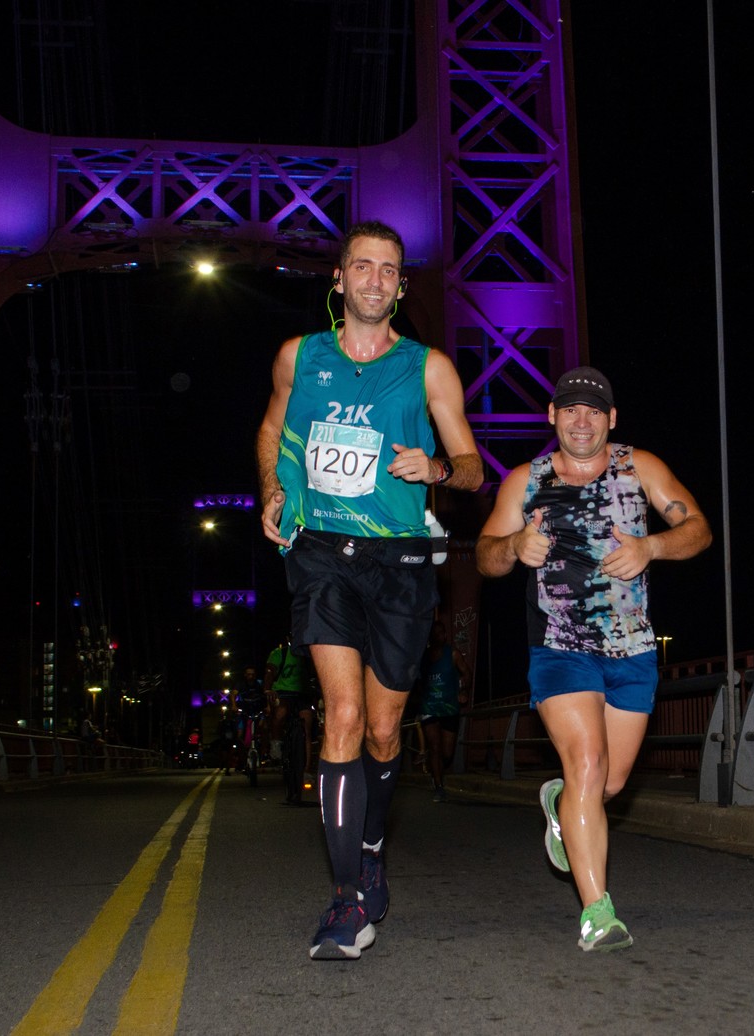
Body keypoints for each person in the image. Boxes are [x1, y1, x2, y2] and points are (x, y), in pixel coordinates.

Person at [257, 219, 482, 961]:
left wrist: (439, 471)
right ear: (338, 278)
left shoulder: (429, 369)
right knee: (344, 715)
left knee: (386, 732)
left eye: (389, 270)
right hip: (322, 552)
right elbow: (271, 430)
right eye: (363, 267)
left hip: (401, 561)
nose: (376, 280)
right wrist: (270, 490)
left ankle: (373, 846)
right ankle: (348, 897)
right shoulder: (299, 357)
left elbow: (475, 467)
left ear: (400, 285)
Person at [476, 365, 711, 952]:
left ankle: (559, 801)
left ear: (611, 419)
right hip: (559, 645)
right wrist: (514, 546)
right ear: (552, 417)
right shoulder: (523, 481)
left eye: (594, 410)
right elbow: (483, 556)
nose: (582, 421)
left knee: (608, 783)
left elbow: (700, 530)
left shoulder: (642, 467)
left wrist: (652, 545)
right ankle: (597, 911)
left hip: (631, 647)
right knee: (586, 764)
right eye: (570, 410)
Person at [414, 616, 469, 802]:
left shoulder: (452, 654)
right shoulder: (423, 659)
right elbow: (417, 681)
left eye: (440, 633)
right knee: (435, 747)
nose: (437, 636)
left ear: (445, 635)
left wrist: (462, 690)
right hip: (429, 707)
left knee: (446, 752)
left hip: (449, 708)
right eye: (433, 634)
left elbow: (466, 673)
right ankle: (438, 786)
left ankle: (436, 767)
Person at [265, 637, 319, 805]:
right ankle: (276, 743)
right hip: (283, 692)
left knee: (307, 727)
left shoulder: (308, 654)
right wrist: (267, 689)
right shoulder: (279, 653)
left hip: (303, 693)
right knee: (280, 713)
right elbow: (269, 671)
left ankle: (307, 770)